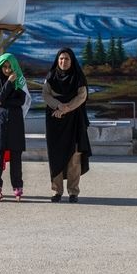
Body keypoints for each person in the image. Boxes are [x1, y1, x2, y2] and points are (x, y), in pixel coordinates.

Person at [42, 47, 92, 203]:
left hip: (74, 121)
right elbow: (45, 94)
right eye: (61, 59)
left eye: (67, 59)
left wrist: (66, 109)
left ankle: (73, 192)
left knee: (74, 157)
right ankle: (57, 191)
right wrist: (58, 106)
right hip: (55, 122)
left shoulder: (78, 77)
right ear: (57, 60)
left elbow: (82, 96)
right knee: (56, 156)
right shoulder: (51, 76)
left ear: (72, 61)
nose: (64, 61)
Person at [0, 60, 27, 201]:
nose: (7, 70)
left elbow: (21, 101)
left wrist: (3, 101)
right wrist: (9, 82)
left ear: (14, 67)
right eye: (4, 67)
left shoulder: (20, 81)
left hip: (15, 123)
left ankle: (17, 188)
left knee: (16, 157)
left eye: (10, 67)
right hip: (0, 122)